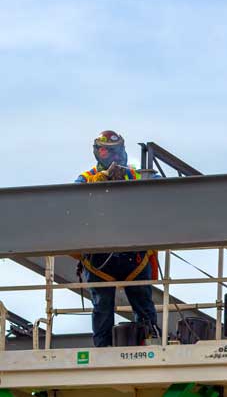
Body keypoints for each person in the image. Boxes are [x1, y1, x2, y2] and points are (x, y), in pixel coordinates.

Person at [75, 130, 159, 347]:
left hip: (134, 254)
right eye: (102, 150)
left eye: (110, 150)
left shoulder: (134, 174)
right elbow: (72, 199)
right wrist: (97, 183)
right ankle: (102, 348)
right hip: (100, 257)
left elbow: (160, 188)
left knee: (143, 302)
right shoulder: (86, 178)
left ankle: (149, 341)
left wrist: (137, 181)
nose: (106, 154)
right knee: (102, 306)